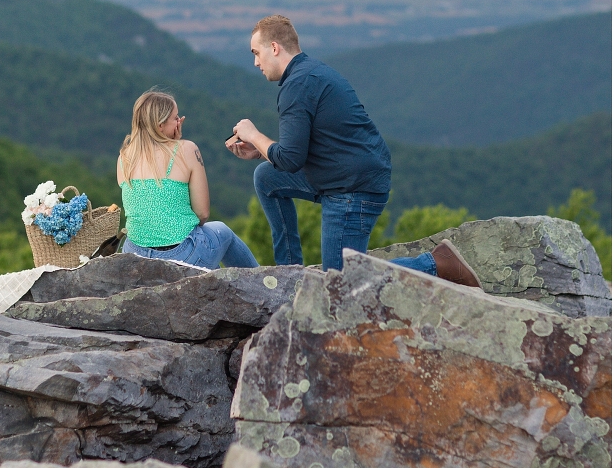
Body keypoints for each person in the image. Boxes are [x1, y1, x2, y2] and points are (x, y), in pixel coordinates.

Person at [226, 14, 480, 287]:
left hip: (352, 188)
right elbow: (296, 151)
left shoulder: (297, 85)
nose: (255, 62)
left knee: (342, 283)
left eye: (256, 52)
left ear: (274, 48)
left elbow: (290, 159)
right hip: (344, 173)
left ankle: (435, 264)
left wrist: (254, 134)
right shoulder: (308, 72)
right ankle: (291, 274)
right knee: (266, 176)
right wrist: (261, 150)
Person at [119, 90, 258, 270]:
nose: (180, 122)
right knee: (222, 231)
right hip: (181, 256)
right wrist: (177, 144)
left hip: (135, 255)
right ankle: (263, 285)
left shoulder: (124, 157)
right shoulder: (187, 149)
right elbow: (202, 214)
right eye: (176, 118)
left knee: (211, 268)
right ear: (160, 125)